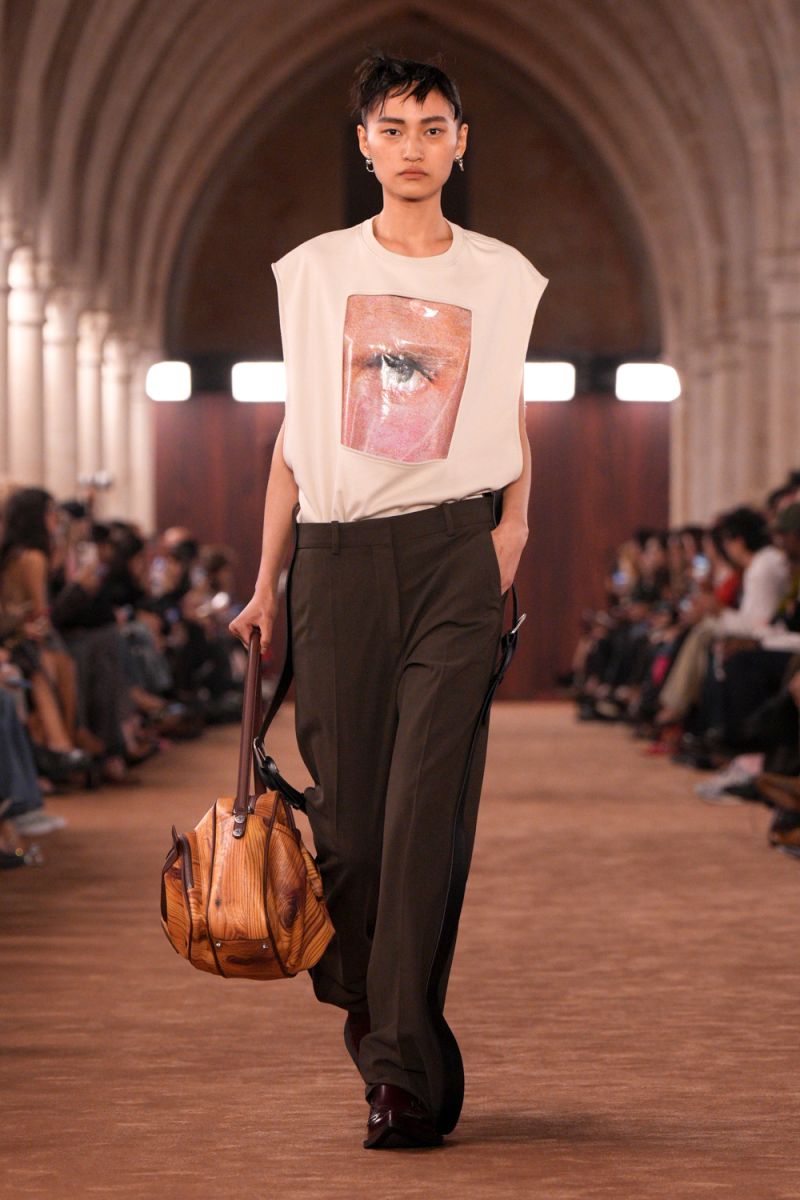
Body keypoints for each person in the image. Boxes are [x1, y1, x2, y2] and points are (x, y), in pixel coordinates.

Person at [229, 51, 548, 1150]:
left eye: (433, 127)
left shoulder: (504, 276)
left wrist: (512, 530)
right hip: (337, 560)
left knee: (423, 818)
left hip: (457, 556)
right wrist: (265, 582)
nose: (414, 146)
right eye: (393, 127)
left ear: (461, 143)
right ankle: (371, 998)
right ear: (363, 143)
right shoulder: (313, 271)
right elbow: (295, 437)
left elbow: (511, 409)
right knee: (355, 832)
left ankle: (402, 1071)